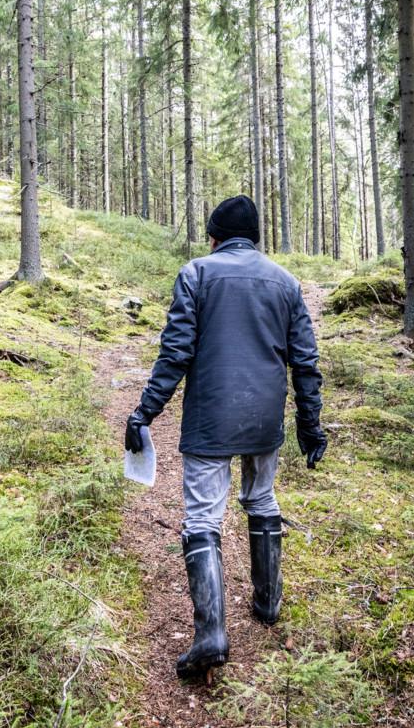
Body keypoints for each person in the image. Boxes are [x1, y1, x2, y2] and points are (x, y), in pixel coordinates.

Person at [124, 194, 327, 680]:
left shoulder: (196, 274)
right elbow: (306, 362)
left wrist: (143, 413)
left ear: (215, 236)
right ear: (253, 238)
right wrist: (309, 424)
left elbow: (174, 354)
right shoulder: (286, 282)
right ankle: (268, 602)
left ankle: (211, 634)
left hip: (210, 420)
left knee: (202, 517)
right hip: (263, 421)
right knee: (262, 499)